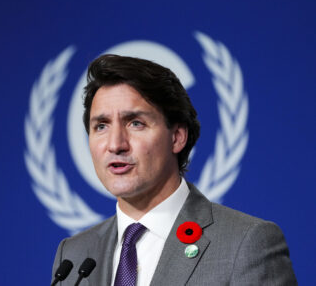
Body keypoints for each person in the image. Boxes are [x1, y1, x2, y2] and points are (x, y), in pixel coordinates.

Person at [52, 54, 297, 285]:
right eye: (101, 126)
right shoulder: (73, 256)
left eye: (135, 123)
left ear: (177, 137)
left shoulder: (246, 244)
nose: (116, 144)